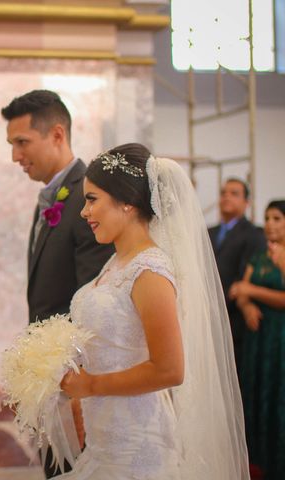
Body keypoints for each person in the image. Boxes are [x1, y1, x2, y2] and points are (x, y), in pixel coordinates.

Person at [58, 143, 248, 479]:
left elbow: (170, 370)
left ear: (127, 203)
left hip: (137, 446)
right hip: (105, 438)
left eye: (92, 199)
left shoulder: (150, 271)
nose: (84, 212)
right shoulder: (115, 264)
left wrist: (91, 386)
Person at [1, 90, 113, 478]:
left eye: (22, 142)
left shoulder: (89, 196)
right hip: (52, 373)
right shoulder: (51, 197)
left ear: (57, 134)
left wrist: (77, 384)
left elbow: (93, 297)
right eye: (12, 145)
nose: (16, 155)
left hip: (74, 377)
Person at [229, 199, 285, 480]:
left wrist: (252, 291)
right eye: (267, 218)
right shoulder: (260, 255)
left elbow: (249, 287)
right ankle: (258, 460)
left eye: (277, 218)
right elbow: (239, 290)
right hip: (258, 338)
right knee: (257, 391)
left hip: (281, 338)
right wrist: (247, 305)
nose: (270, 225)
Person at [208, 178, 265, 371]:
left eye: (234, 193)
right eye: (223, 192)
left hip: (234, 315)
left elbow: (245, 276)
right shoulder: (208, 232)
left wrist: (222, 302)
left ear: (246, 202)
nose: (226, 197)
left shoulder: (254, 234)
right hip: (206, 315)